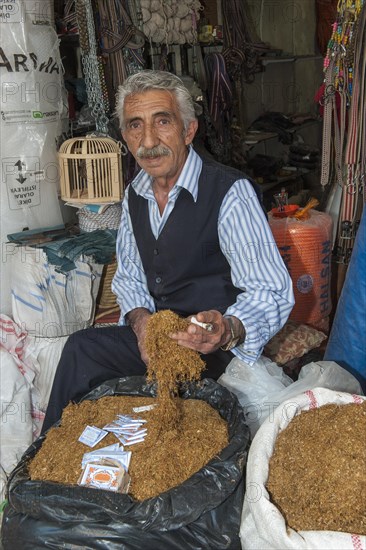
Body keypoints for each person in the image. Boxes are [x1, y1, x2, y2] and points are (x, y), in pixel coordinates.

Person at [42, 70, 294, 433]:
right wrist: (143, 324)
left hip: (213, 350)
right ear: (126, 137)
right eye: (134, 125)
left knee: (185, 425)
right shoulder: (135, 195)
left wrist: (226, 330)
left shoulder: (229, 193)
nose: (148, 140)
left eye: (162, 121)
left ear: (188, 130)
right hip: (158, 342)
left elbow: (270, 291)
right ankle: (42, 467)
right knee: (81, 350)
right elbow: (129, 279)